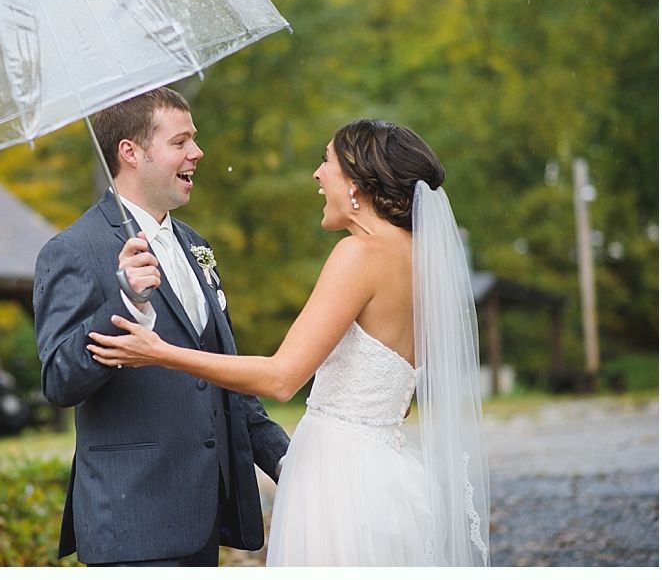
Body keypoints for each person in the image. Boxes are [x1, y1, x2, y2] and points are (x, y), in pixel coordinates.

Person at [89, 118, 491, 566]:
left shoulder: (360, 253)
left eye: (327, 162)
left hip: (340, 480)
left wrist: (160, 353)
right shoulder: (423, 261)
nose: (318, 175)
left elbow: (282, 378)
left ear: (357, 183)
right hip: (389, 475)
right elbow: (401, 395)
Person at [34, 87, 290, 566]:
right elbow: (58, 381)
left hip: (204, 518)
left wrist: (285, 460)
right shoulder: (71, 251)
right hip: (131, 522)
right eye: (181, 141)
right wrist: (124, 300)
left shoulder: (196, 245)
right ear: (130, 152)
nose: (197, 152)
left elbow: (221, 371)